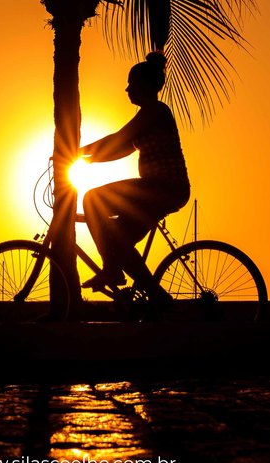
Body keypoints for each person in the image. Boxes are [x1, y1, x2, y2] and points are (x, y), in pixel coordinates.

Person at [79, 52, 189, 301]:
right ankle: (158, 298)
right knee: (118, 242)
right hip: (160, 190)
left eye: (132, 83)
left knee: (92, 199)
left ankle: (111, 270)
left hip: (162, 188)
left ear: (147, 86)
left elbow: (118, 138)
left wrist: (74, 152)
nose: (127, 88)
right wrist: (87, 159)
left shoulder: (155, 111)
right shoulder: (148, 116)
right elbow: (120, 149)